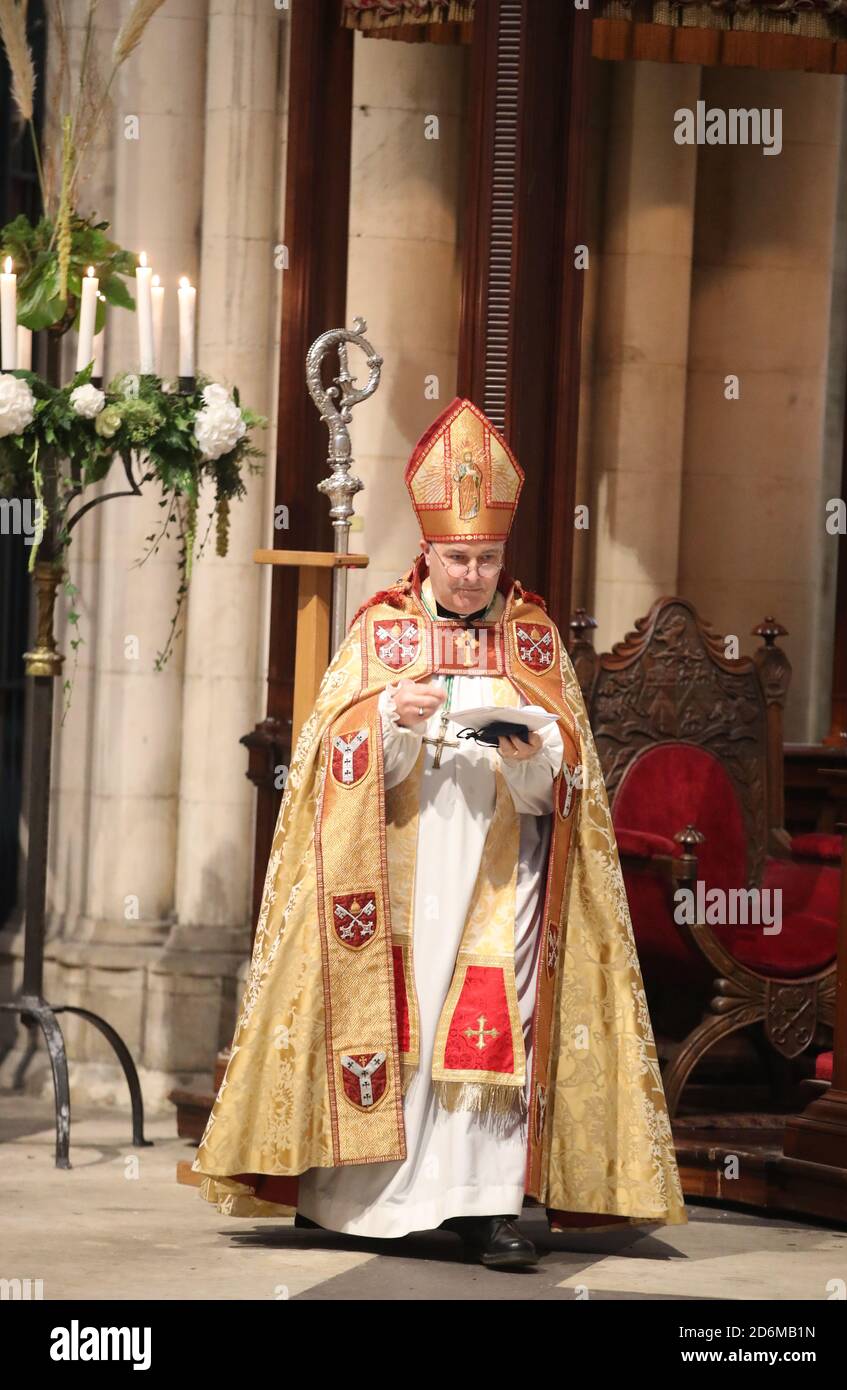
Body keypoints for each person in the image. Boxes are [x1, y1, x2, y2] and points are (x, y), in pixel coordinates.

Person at [191, 397, 687, 1271]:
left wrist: (534, 750)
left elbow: (568, 789)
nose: (470, 577)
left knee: (496, 1020)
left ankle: (487, 1206)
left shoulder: (531, 640)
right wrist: (386, 714)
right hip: (400, 878)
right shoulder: (383, 631)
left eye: (486, 559)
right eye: (457, 558)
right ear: (429, 549)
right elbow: (324, 761)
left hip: (504, 880)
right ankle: (371, 1200)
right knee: (404, 1022)